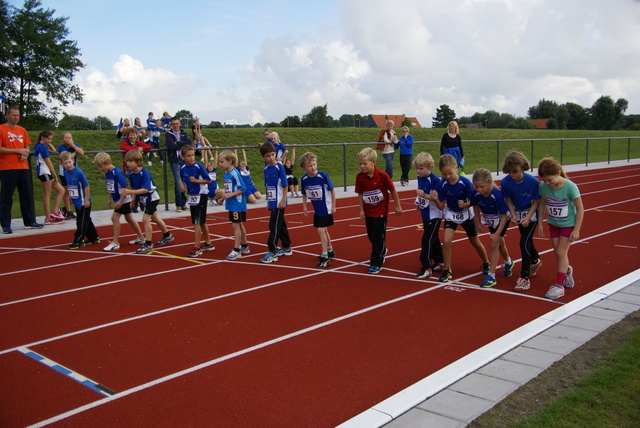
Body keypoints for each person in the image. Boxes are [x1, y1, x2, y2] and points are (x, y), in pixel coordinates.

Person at [434, 154, 490, 282]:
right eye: (444, 174)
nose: (448, 176)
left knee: (474, 241)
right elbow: (441, 206)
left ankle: (486, 262)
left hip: (466, 214)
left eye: (450, 173)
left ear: (456, 168)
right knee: (446, 241)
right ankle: (447, 269)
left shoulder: (465, 183)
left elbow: (473, 201)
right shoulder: (442, 184)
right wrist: (435, 199)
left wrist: (465, 204)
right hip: (451, 214)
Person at [537, 157, 584, 300]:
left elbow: (580, 208)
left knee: (562, 253)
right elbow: (543, 204)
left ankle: (558, 286)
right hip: (553, 224)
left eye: (550, 180)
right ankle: (567, 271)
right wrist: (540, 222)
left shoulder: (570, 187)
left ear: (558, 173)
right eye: (544, 180)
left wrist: (576, 229)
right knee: (557, 253)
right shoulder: (543, 187)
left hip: (568, 225)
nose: (547, 183)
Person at [355, 147, 403, 274]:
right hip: (368, 210)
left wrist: (397, 206)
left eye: (364, 164)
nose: (362, 166)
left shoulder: (382, 176)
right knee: (371, 235)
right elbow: (360, 194)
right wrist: (361, 210)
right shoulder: (360, 177)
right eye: (360, 164)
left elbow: (392, 190)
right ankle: (381, 250)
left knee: (377, 236)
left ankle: (376, 262)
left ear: (373, 162)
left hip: (381, 211)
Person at [501, 151, 543, 292]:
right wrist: (513, 215)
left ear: (523, 167)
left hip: (531, 213)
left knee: (523, 242)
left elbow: (536, 202)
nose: (512, 175)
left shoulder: (532, 182)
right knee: (528, 241)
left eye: (515, 171)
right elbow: (509, 200)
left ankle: (524, 277)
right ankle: (535, 261)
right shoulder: (506, 182)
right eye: (509, 172)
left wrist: (528, 216)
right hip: (518, 213)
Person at [121, 150, 174, 254]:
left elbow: (145, 189)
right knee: (154, 218)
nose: (127, 163)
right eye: (126, 161)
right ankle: (167, 235)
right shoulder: (131, 173)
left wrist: (129, 192)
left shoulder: (144, 173)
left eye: (130, 161)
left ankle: (148, 244)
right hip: (144, 198)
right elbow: (135, 187)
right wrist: (133, 198)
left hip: (152, 197)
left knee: (145, 219)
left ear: (137, 161)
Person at [0, 107, 43, 233]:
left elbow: (27, 146)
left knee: (26, 195)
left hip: (22, 166)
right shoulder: (2, 129)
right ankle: (6, 224)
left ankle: (30, 221)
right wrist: (17, 150)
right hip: (7, 167)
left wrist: (25, 153)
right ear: (7, 115)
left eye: (18, 115)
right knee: (7, 197)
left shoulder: (22, 130)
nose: (16, 118)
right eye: (13, 115)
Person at [93, 152, 145, 252]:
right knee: (129, 218)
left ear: (107, 163)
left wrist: (121, 201)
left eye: (100, 166)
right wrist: (109, 200)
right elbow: (111, 187)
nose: (100, 169)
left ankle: (115, 242)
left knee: (114, 218)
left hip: (124, 199)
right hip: (118, 199)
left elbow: (126, 187)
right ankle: (141, 237)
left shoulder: (117, 172)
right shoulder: (107, 172)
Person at [470, 168, 513, 287]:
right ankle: (508, 262)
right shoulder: (476, 193)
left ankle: (491, 276)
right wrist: (478, 222)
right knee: (500, 243)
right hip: (490, 219)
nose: (479, 189)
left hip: (502, 219)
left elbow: (504, 217)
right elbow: (476, 206)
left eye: (482, 186)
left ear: (489, 182)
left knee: (494, 243)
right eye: (476, 187)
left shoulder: (497, 195)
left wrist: (497, 233)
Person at [299, 151, 337, 268]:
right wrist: (304, 206)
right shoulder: (304, 179)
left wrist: (333, 205)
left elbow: (332, 190)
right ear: (304, 167)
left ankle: (325, 256)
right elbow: (304, 193)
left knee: (321, 230)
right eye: (310, 166)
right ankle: (330, 250)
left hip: (326, 208)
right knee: (324, 231)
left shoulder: (323, 176)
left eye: (314, 164)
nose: (313, 167)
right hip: (317, 209)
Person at [179, 145, 215, 258]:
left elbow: (209, 180)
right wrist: (182, 185)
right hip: (192, 196)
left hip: (201, 195)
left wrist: (196, 180)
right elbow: (182, 179)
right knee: (201, 221)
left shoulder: (198, 166)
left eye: (193, 155)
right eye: (189, 156)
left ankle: (196, 246)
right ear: (183, 157)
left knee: (197, 221)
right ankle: (209, 243)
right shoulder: (183, 168)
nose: (192, 157)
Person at [214, 150, 250, 260]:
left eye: (222, 162)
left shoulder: (235, 173)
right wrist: (222, 199)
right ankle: (244, 245)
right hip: (231, 203)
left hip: (237, 203)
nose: (219, 164)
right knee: (239, 224)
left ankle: (236, 249)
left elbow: (243, 188)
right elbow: (228, 189)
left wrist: (230, 196)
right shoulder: (226, 174)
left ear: (230, 161)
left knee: (235, 225)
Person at [259, 142, 292, 263]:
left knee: (274, 225)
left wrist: (283, 200)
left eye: (273, 155)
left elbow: (284, 184)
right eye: (268, 156)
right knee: (280, 224)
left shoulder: (279, 167)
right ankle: (286, 246)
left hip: (279, 202)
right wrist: (268, 201)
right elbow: (268, 186)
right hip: (273, 201)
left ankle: (272, 251)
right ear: (263, 157)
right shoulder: (266, 169)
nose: (271, 158)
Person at [413, 152, 444, 279]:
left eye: (421, 168)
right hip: (425, 213)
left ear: (430, 167)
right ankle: (441, 261)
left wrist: (423, 196)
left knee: (427, 240)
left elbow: (436, 199)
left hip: (435, 214)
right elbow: (422, 193)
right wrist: (418, 201)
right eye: (417, 168)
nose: (418, 171)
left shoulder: (435, 180)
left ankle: (426, 267)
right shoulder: (420, 177)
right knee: (434, 238)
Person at [59, 151, 99, 249]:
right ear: (62, 164)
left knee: (81, 221)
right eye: (65, 163)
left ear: (72, 161)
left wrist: (86, 199)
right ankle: (94, 237)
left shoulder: (79, 172)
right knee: (86, 219)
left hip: (83, 201)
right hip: (76, 200)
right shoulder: (66, 173)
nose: (68, 165)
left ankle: (78, 240)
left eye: (69, 162)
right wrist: (71, 199)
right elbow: (70, 187)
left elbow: (86, 186)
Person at [33, 131, 66, 225]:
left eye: (51, 138)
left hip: (45, 171)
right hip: (44, 171)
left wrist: (49, 142)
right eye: (48, 138)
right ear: (42, 137)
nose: (50, 140)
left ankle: (54, 211)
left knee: (61, 190)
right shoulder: (41, 147)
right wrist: (55, 175)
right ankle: (48, 218)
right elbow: (49, 162)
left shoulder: (42, 146)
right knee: (47, 195)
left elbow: (54, 150)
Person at [165, 116, 191, 212]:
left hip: (184, 160)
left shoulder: (183, 133)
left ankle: (183, 203)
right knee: (178, 182)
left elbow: (188, 143)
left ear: (179, 123)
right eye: (174, 124)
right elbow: (171, 146)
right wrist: (180, 145)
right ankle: (178, 204)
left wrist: (178, 143)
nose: (175, 125)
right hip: (175, 160)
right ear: (171, 125)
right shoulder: (169, 134)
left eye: (177, 123)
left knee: (184, 181)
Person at [57, 132, 84, 220]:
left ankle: (64, 208)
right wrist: (75, 152)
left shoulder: (74, 145)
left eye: (69, 137)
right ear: (62, 139)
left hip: (74, 171)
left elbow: (82, 152)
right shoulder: (61, 147)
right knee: (67, 191)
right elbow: (66, 157)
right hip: (64, 171)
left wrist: (73, 145)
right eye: (66, 138)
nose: (68, 139)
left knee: (74, 191)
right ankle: (68, 211)